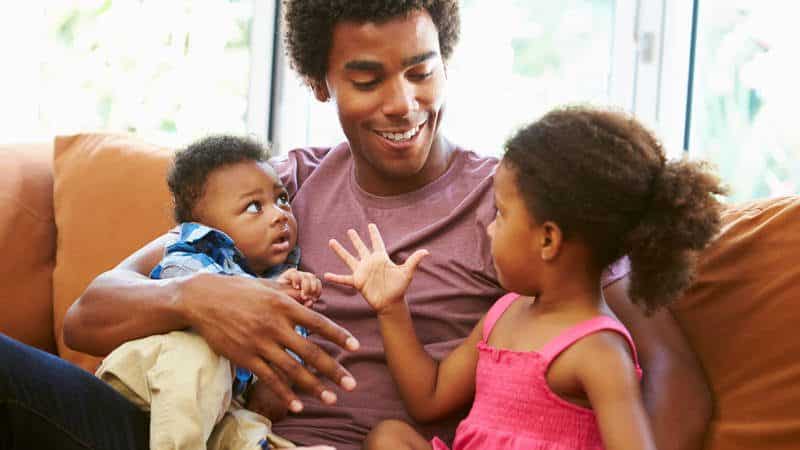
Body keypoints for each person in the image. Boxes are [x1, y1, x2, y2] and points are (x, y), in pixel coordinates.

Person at [0, 2, 711, 450]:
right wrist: (197, 299)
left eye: (422, 72)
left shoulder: (521, 208)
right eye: (368, 80)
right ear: (321, 83)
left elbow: (672, 371)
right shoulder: (282, 185)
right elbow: (88, 316)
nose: (403, 103)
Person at [324, 107, 725, 450]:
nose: (489, 228)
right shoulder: (505, 314)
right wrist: (392, 307)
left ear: (548, 239)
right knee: (389, 437)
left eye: (501, 213)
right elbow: (427, 398)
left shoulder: (599, 350)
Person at [94, 135, 320, 450]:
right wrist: (264, 293)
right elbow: (207, 295)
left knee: (246, 428)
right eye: (255, 207)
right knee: (199, 355)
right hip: (151, 376)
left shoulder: (281, 275)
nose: (279, 214)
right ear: (206, 226)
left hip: (211, 407)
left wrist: (295, 311)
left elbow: (269, 391)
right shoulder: (193, 254)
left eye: (282, 199)